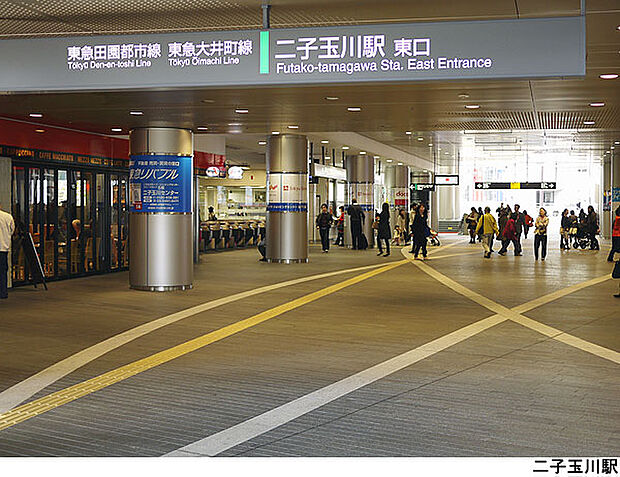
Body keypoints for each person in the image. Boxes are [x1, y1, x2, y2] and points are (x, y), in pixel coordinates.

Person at [0, 204, 15, 300]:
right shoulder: (7, 216)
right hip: (3, 248)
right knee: (2, 271)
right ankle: (3, 292)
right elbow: (12, 230)